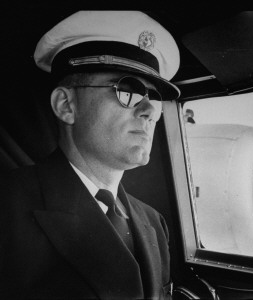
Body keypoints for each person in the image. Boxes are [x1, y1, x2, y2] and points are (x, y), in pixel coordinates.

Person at [0, 11, 180, 299]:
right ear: (66, 106)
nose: (148, 112)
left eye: (154, 98)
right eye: (128, 91)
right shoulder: (7, 208)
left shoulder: (154, 223)